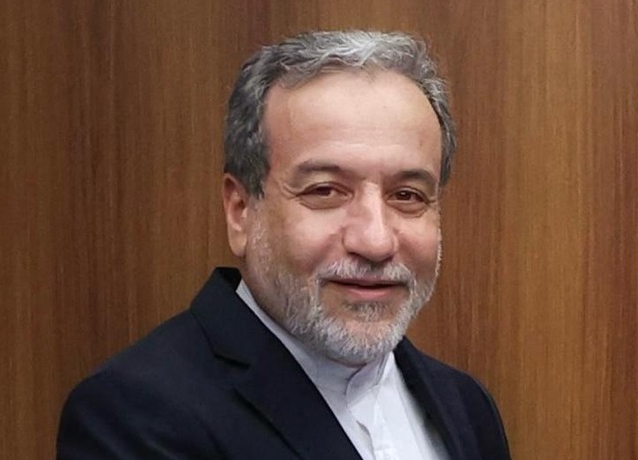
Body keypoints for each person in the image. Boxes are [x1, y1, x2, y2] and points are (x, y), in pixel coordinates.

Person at [57, 30, 511, 460]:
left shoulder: (466, 407)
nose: (375, 241)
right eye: (325, 191)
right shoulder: (137, 415)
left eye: (407, 196)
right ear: (240, 210)